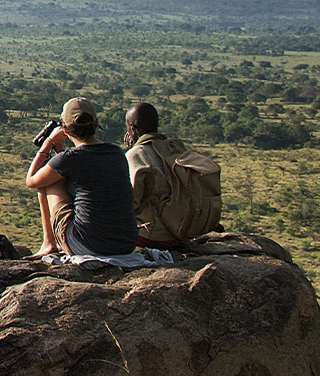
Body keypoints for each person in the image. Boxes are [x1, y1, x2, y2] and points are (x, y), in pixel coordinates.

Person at [26, 97, 139, 258]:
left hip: (88, 247)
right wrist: (60, 150)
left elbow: (32, 180)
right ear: (95, 123)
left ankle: (49, 244)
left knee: (47, 183)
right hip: (125, 245)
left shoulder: (69, 159)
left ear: (64, 129)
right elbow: (81, 171)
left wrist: (48, 144)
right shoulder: (116, 152)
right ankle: (50, 244)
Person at [125, 102, 221, 248]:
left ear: (133, 128)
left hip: (152, 235)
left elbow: (131, 203)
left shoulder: (136, 155)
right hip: (181, 230)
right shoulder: (175, 147)